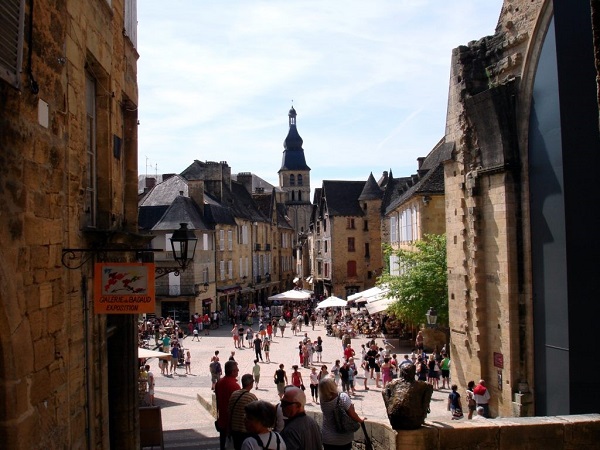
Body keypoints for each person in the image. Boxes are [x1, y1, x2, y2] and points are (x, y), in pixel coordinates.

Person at [319, 377, 365, 450]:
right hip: (342, 438)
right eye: (333, 382)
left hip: (327, 437)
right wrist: (360, 420)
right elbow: (352, 414)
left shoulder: (322, 399)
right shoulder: (342, 397)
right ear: (331, 386)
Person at [215, 361, 241, 450]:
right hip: (232, 423)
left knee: (223, 445)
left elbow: (217, 400)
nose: (238, 371)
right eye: (237, 370)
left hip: (221, 420)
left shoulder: (219, 383)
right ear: (233, 371)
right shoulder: (235, 386)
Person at [229, 374, 258, 450]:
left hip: (234, 430)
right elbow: (257, 415)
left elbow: (229, 412)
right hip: (246, 431)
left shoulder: (234, 394)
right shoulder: (252, 397)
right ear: (251, 383)